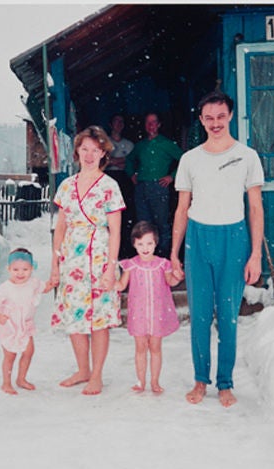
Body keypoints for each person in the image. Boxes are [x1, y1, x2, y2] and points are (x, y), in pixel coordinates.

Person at [171, 91, 264, 408]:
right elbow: (182, 209)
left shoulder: (247, 156)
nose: (215, 123)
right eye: (208, 118)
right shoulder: (190, 159)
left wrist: (255, 254)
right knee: (199, 316)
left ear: (230, 116)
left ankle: (225, 383)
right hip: (199, 239)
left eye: (220, 117)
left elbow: (255, 207)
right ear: (201, 120)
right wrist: (174, 252)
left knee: (228, 316)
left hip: (234, 239)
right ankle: (200, 380)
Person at [49, 125, 126, 396]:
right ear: (77, 152)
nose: (90, 155)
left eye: (96, 150)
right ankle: (82, 369)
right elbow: (60, 227)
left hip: (100, 255)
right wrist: (55, 265)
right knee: (75, 315)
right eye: (85, 149)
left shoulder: (109, 186)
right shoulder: (66, 186)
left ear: (103, 153)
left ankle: (97, 375)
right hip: (73, 257)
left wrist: (110, 268)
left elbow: (115, 230)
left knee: (99, 319)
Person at [115, 221, 182, 393]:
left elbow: (170, 282)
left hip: (157, 314)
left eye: (149, 243)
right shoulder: (130, 265)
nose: (145, 248)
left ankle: (154, 382)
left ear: (156, 243)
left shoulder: (162, 264)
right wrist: (109, 281)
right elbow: (121, 286)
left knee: (155, 347)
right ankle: (140, 381)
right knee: (140, 347)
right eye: (140, 244)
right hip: (139, 314)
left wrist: (178, 275)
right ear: (134, 244)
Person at [0, 248, 55, 395]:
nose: (20, 273)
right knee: (10, 355)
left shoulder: (33, 283)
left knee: (29, 352)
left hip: (25, 325)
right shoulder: (4, 289)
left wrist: (54, 281)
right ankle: (6, 383)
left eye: (25, 269)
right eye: (15, 269)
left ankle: (21, 379)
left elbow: (46, 288)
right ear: (8, 269)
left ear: (32, 268)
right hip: (9, 327)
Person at [125, 112, 183, 257]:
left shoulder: (166, 144)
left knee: (161, 223)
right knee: (144, 223)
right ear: (145, 126)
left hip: (159, 187)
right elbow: (129, 160)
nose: (151, 126)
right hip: (141, 187)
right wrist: (132, 174)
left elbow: (185, 159)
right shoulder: (141, 145)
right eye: (148, 123)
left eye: (154, 122)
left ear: (159, 125)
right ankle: (146, 256)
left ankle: (163, 256)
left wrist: (172, 176)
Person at [105, 114, 136, 259]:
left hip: (124, 180)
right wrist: (118, 161)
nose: (119, 124)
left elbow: (129, 164)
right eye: (116, 121)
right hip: (108, 178)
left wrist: (113, 160)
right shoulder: (105, 143)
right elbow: (104, 162)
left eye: (121, 121)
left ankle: (124, 251)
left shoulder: (129, 144)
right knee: (108, 215)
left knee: (124, 214)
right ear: (110, 124)